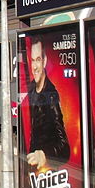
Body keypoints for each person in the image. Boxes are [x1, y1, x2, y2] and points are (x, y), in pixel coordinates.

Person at [26, 38, 70, 170]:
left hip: (46, 171)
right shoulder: (30, 90)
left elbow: (64, 147)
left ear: (44, 61)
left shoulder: (51, 95)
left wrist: (45, 155)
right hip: (31, 167)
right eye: (32, 60)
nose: (34, 66)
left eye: (38, 60)